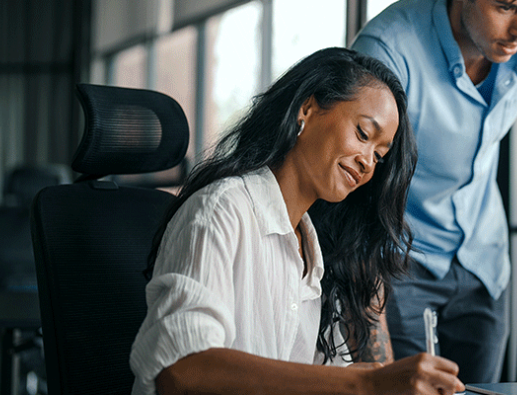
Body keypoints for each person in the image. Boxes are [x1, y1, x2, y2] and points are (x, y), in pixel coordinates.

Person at [129, 48, 465, 395]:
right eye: (363, 134)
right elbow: (181, 371)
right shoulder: (221, 210)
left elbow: (326, 382)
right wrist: (365, 383)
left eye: (379, 156)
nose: (368, 162)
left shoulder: (314, 251)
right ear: (307, 108)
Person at [351, 0, 517, 383]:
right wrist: (368, 308)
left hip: (484, 257)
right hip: (398, 257)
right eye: (505, 7)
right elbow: (356, 188)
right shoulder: (388, 48)